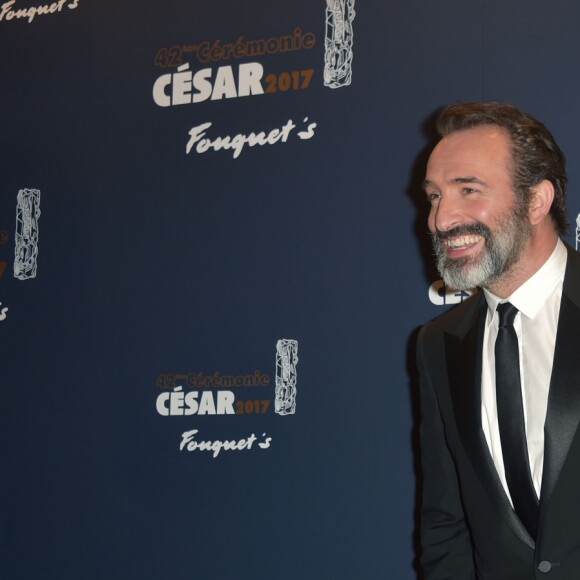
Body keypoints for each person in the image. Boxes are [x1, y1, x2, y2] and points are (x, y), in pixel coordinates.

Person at [417, 101, 580, 579]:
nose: (441, 219)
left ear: (536, 201)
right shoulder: (438, 344)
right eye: (433, 196)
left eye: (468, 190)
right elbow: (445, 520)